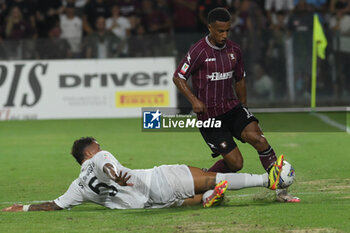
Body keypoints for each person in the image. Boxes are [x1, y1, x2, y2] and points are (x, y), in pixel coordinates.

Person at [172, 7, 299, 202]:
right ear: (209, 28)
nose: (224, 35)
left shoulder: (235, 50)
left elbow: (240, 80)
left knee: (260, 140)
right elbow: (178, 76)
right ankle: (204, 184)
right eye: (219, 31)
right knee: (235, 163)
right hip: (210, 117)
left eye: (227, 31)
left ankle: (281, 191)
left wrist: (244, 108)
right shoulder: (198, 51)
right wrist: (194, 101)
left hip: (233, 109)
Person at [2, 137, 284, 212]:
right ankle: (267, 180)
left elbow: (55, 205)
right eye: (96, 145)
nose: (101, 147)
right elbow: (107, 167)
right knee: (208, 176)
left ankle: (205, 199)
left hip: (148, 204)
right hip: (156, 179)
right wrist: (115, 174)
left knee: (185, 198)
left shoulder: (77, 187)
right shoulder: (99, 157)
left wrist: (24, 207)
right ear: (88, 152)